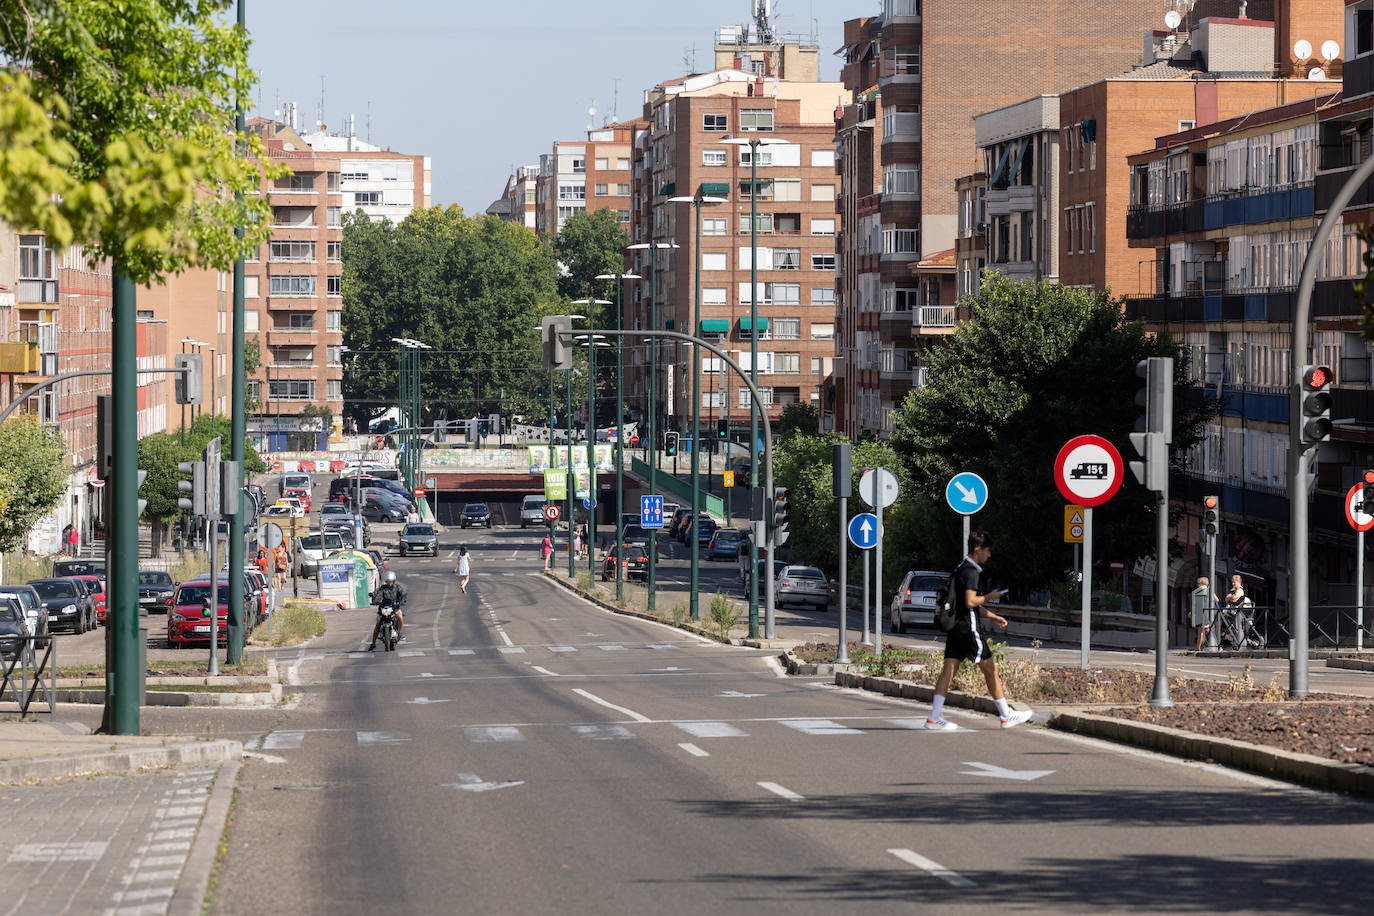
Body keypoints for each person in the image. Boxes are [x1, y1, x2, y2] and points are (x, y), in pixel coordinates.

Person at [925, 531, 1033, 730]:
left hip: (955, 626)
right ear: (978, 549)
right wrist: (990, 596)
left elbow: (967, 604)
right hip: (968, 628)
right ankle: (1006, 715)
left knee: (948, 669)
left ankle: (934, 716)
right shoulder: (972, 572)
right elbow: (970, 601)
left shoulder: (960, 568)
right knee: (991, 669)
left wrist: (993, 616)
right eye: (987, 551)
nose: (989, 555)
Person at [367, 570, 407, 650]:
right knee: (378, 624)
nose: (390, 583)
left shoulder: (397, 588)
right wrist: (375, 601)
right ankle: (373, 643)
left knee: (400, 616)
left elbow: (403, 594)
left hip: (394, 608)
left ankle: (399, 632)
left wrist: (402, 601)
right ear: (386, 581)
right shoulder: (382, 589)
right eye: (388, 581)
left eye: (391, 581)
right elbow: (378, 595)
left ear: (394, 580)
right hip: (383, 608)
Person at [1193, 576, 1218, 651]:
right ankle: (1215, 645)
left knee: (1201, 631)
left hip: (1203, 613)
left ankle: (1198, 648)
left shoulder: (1200, 591)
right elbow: (1217, 600)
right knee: (1206, 630)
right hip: (1211, 613)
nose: (1197, 585)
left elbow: (1198, 603)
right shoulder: (1210, 590)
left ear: (1201, 584)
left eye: (1198, 583)